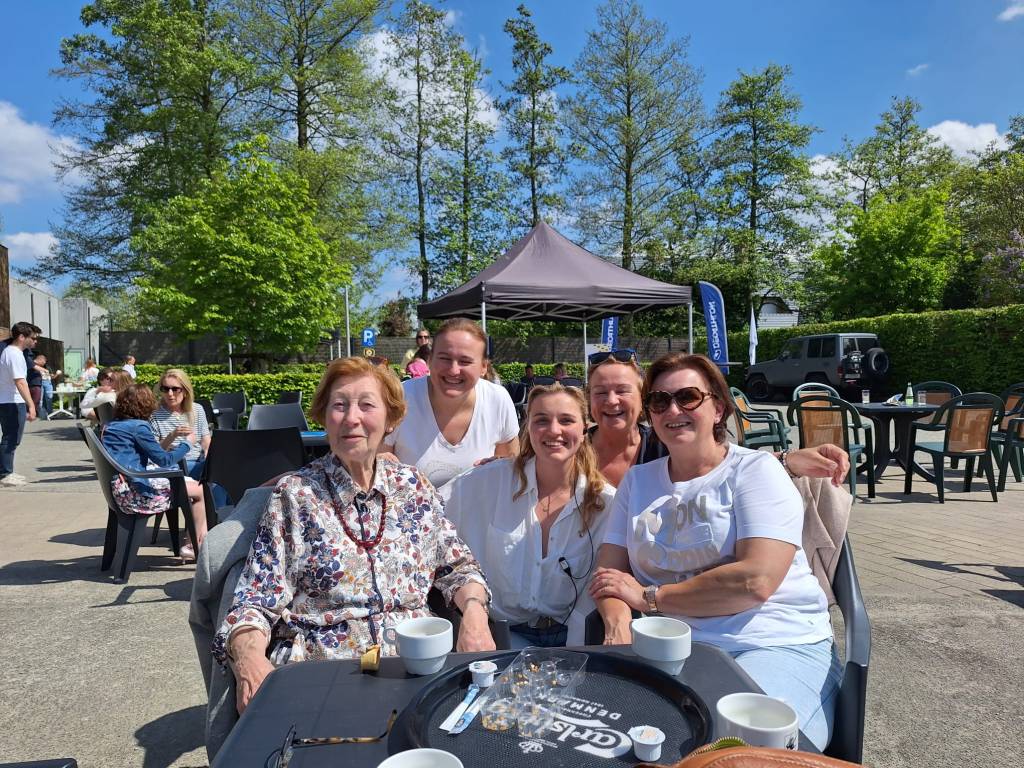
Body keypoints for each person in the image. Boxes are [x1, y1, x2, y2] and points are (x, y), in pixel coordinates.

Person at [213, 356, 494, 714]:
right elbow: (254, 600)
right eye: (340, 405)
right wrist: (249, 658)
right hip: (322, 675)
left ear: (390, 419)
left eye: (366, 405)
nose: (351, 418)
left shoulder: (413, 488)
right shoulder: (296, 495)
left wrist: (474, 614)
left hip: (416, 669)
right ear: (324, 416)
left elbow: (460, 568)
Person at [589, 353, 840, 749]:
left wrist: (651, 598)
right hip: (669, 647)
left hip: (770, 641)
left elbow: (754, 581)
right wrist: (617, 623)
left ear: (719, 408)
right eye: (659, 401)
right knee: (613, 742)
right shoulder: (638, 482)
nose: (673, 410)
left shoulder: (755, 471)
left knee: (739, 748)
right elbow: (609, 574)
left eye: (688, 397)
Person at [446, 384, 615, 648]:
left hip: (572, 637)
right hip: (501, 636)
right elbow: (426, 517)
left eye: (566, 420)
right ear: (528, 428)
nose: (554, 430)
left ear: (584, 429)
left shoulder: (605, 502)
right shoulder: (486, 482)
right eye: (542, 420)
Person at [585, 350, 851, 488]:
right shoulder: (572, 449)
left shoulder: (664, 442)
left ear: (642, 398)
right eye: (600, 392)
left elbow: (720, 462)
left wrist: (789, 459)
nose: (611, 401)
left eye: (622, 391)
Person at [383, 318, 519, 499]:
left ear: (483, 367)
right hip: (408, 513)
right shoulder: (401, 398)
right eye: (444, 358)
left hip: (478, 512)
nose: (454, 370)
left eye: (465, 361)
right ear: (429, 360)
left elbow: (512, 471)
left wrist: (501, 468)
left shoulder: (498, 400)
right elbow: (377, 463)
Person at [101, 383, 208, 561]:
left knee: (189, 483)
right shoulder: (138, 427)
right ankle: (192, 545)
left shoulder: (110, 426)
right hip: (136, 494)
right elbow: (164, 460)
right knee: (200, 490)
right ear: (145, 404)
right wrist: (187, 443)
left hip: (118, 489)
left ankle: (199, 540)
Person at [149, 368, 211, 481]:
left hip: (199, 463)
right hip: (173, 465)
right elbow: (155, 451)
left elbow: (206, 440)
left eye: (175, 389)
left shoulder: (197, 409)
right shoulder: (155, 414)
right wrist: (172, 435)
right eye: (165, 389)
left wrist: (209, 456)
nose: (170, 394)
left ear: (185, 391)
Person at [0, 322, 39, 487]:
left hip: (10, 400)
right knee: (11, 438)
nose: (35, 341)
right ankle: (5, 474)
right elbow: (20, 382)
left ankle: (7, 471)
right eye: (33, 338)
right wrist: (31, 405)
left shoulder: (13, 353)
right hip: (12, 401)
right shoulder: (14, 354)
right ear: (22, 337)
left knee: (12, 438)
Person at [34, 354, 54, 420]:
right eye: (44, 361)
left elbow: (52, 376)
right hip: (40, 382)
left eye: (45, 361)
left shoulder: (47, 367)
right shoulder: (35, 366)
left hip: (48, 382)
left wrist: (55, 374)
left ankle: (50, 414)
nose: (44, 363)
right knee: (41, 399)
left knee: (49, 398)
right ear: (40, 360)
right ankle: (41, 415)